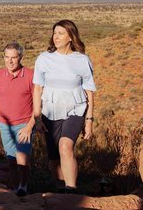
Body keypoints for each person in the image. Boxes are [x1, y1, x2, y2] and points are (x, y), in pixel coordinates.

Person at [32, 19, 96, 194]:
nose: (56, 36)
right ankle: (60, 189)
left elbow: (89, 91)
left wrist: (89, 120)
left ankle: (71, 191)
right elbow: (37, 89)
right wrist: (37, 118)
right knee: (53, 160)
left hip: (75, 109)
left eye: (60, 33)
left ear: (71, 37)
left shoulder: (82, 60)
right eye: (54, 33)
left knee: (65, 147)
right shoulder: (44, 59)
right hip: (50, 111)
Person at [0, 41, 35, 197]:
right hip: (5, 125)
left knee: (22, 159)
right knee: (11, 161)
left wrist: (30, 126)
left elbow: (38, 104)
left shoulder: (30, 75)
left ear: (20, 57)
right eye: (7, 57)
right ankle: (16, 190)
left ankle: (23, 187)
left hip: (24, 124)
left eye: (13, 57)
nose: (10, 61)